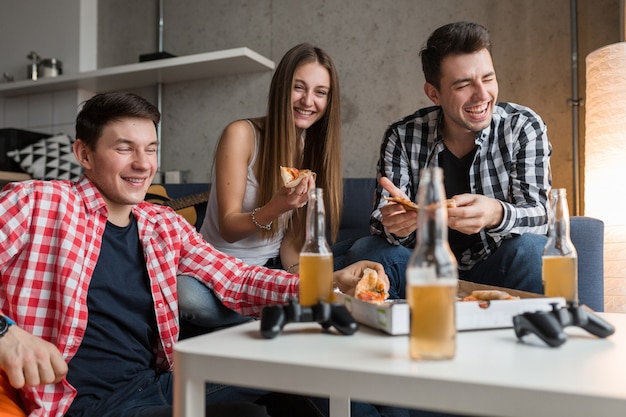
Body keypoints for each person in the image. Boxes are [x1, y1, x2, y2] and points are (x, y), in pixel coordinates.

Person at [0, 91, 390, 417]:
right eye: (124, 149)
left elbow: (238, 280)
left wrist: (330, 281)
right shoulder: (39, 202)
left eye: (150, 149)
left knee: (299, 368)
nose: (142, 164)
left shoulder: (161, 224)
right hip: (84, 406)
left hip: (160, 385)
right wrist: (6, 331)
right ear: (84, 154)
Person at [342, 21, 552, 299]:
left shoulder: (523, 126)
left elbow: (541, 216)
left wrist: (495, 213)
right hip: (421, 271)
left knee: (534, 251)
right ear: (434, 93)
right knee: (365, 251)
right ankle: (395, 334)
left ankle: (517, 334)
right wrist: (396, 225)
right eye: (464, 85)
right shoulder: (402, 136)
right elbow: (382, 223)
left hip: (496, 268)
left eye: (488, 78)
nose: (482, 94)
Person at [180, 43, 343, 330]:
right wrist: (275, 207)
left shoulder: (311, 150)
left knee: (366, 255)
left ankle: (275, 307)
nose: (308, 101)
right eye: (299, 87)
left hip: (269, 271)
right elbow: (228, 229)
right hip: (218, 271)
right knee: (187, 299)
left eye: (320, 92)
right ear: (281, 88)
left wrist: (298, 276)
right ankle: (283, 309)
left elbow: (291, 243)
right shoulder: (241, 134)